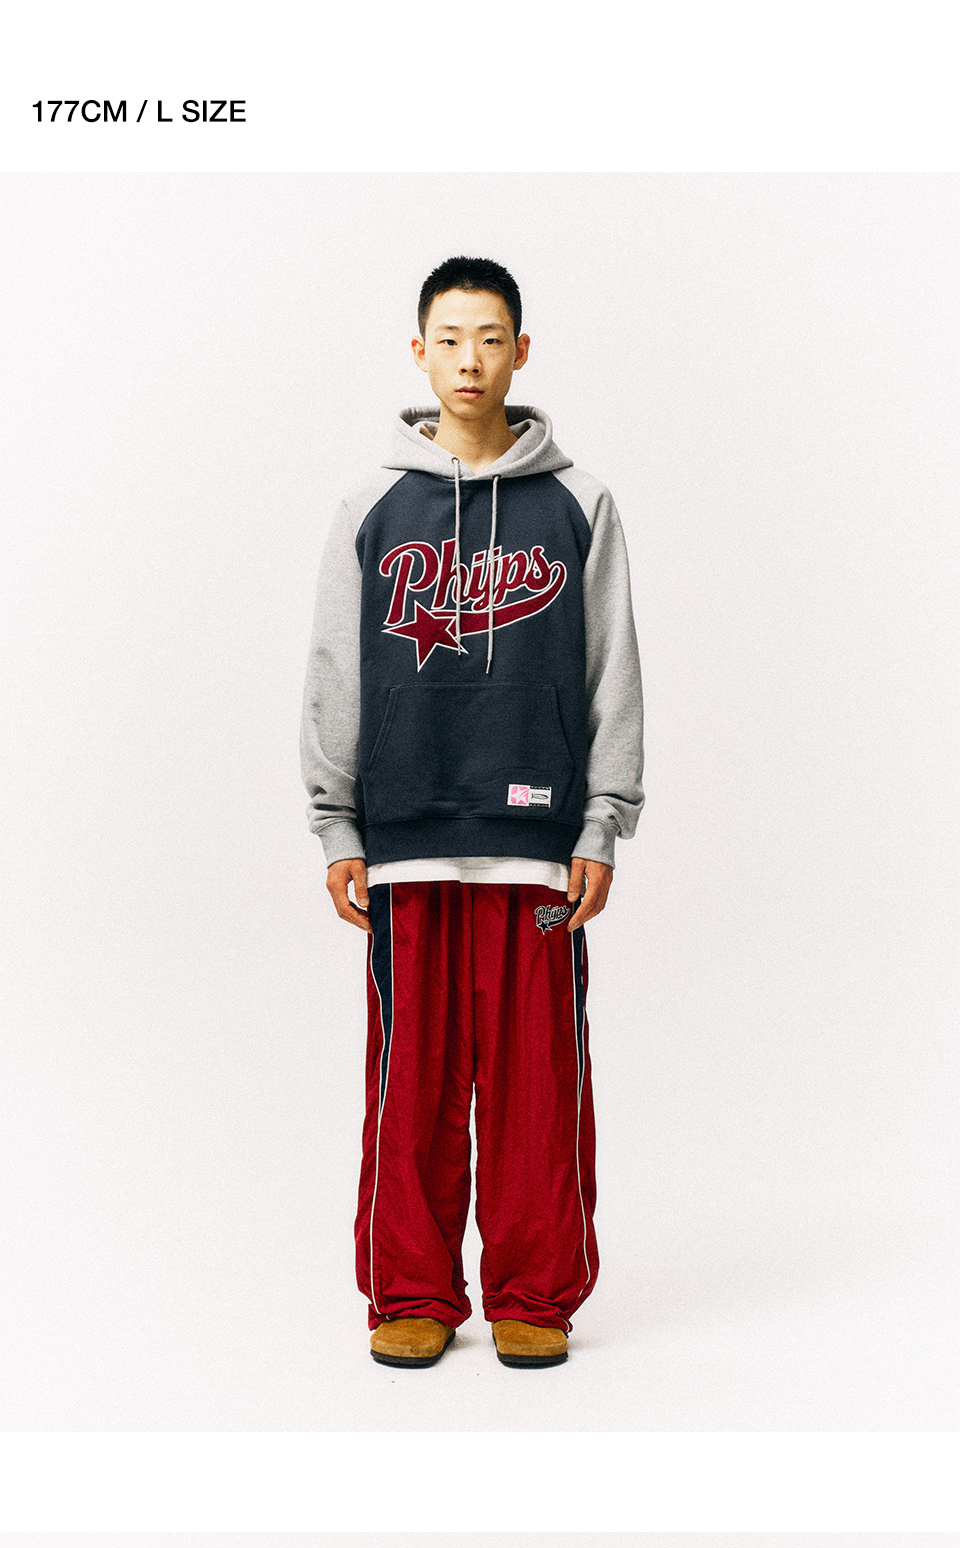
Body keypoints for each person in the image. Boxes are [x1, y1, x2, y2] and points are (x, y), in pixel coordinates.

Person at [300, 248, 643, 1367]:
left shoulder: (579, 504)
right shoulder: (372, 506)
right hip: (405, 841)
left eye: (490, 338)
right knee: (411, 1081)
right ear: (419, 352)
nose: (469, 359)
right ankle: (411, 1288)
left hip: (537, 846)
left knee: (538, 1082)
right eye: (449, 339)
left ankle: (533, 1290)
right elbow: (335, 669)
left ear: (521, 351)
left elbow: (612, 666)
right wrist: (336, 822)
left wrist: (603, 819)